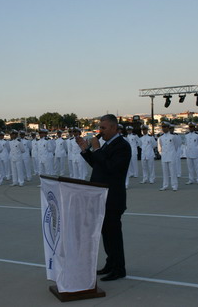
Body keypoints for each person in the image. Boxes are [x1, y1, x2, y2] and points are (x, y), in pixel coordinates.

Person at [76, 114, 131, 281]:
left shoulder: (122, 146)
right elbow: (97, 164)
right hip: (101, 197)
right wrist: (86, 150)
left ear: (114, 128)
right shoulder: (107, 145)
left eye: (104, 128)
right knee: (106, 234)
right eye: (100, 127)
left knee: (113, 235)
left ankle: (119, 269)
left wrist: (98, 149)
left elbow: (111, 168)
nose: (101, 131)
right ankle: (110, 263)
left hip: (113, 198)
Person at [158, 122, 181, 191]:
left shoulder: (173, 136)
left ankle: (174, 185)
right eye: (163, 127)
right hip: (164, 156)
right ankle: (165, 185)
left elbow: (177, 145)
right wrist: (162, 154)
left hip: (171, 156)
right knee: (165, 172)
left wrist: (172, 153)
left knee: (173, 171)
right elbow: (160, 148)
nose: (164, 128)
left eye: (165, 127)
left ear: (168, 128)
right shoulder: (161, 137)